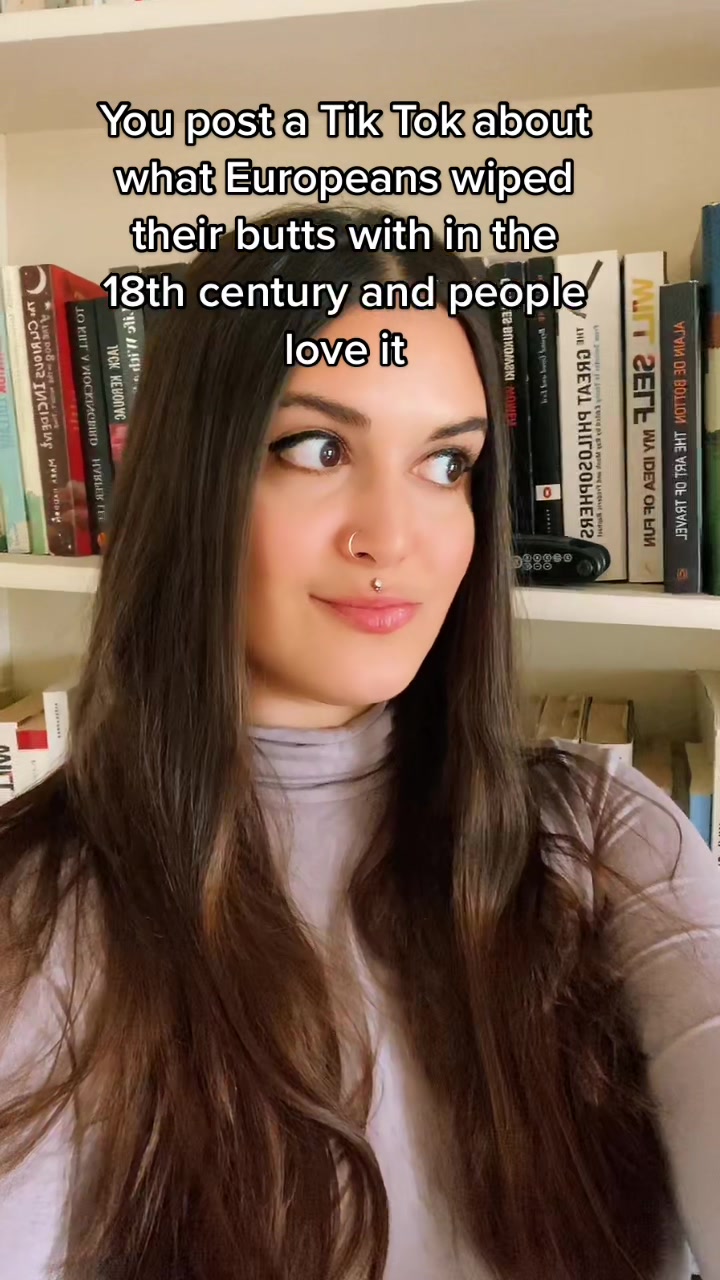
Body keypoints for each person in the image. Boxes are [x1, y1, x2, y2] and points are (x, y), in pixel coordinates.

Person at [0, 204, 716, 1280]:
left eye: (447, 464)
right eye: (318, 448)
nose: (395, 536)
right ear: (190, 477)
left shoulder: (608, 837)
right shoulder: (37, 908)